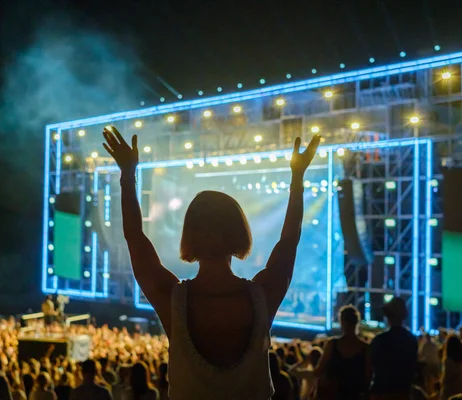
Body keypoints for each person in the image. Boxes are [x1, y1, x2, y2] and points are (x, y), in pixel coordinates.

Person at [102, 126, 321, 400]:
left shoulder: (171, 297)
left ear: (189, 236)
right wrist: (297, 179)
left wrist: (128, 174)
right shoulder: (263, 294)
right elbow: (289, 242)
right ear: (239, 233)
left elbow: (134, 237)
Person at [314, 305, 370, 400]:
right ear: (357, 322)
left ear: (341, 322)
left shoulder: (332, 344)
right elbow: (368, 377)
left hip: (333, 395)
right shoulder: (365, 347)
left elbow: (318, 371)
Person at [369, 297, 418, 400]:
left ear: (387, 315)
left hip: (381, 392)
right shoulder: (411, 340)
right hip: (403, 393)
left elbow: (370, 367)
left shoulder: (379, 340)